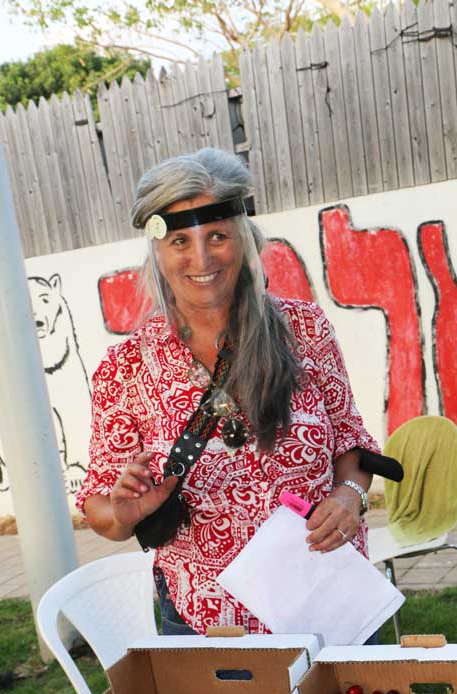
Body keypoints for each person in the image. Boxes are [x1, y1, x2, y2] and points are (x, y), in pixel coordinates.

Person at [76, 147, 380, 636]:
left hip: (328, 602)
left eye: (217, 236)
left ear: (244, 239)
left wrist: (350, 497)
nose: (201, 259)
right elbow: (100, 506)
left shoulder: (304, 329)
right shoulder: (126, 368)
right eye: (180, 241)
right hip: (210, 626)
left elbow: (352, 442)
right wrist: (123, 513)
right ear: (157, 252)